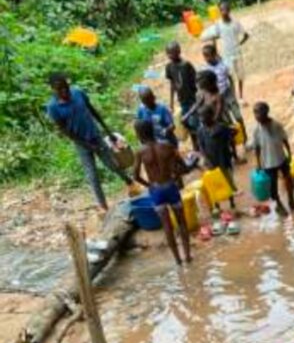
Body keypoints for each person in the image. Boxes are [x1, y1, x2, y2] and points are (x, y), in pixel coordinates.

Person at [46, 73, 133, 211]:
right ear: (53, 89)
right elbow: (65, 131)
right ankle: (103, 207)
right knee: (92, 176)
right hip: (81, 144)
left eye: (65, 87)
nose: (64, 91)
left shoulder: (78, 93)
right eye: (59, 89)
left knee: (112, 164)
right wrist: (87, 145)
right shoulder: (53, 107)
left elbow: (93, 111)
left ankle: (130, 183)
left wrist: (108, 131)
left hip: (95, 136)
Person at [132, 120, 191, 265]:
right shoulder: (167, 146)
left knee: (167, 227)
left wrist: (149, 185)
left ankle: (178, 261)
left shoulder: (140, 152)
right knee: (182, 222)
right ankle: (188, 256)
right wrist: (175, 176)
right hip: (170, 186)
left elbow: (135, 176)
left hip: (156, 190)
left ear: (139, 134)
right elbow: (184, 167)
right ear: (152, 130)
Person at [249, 102, 294, 216]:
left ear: (266, 113)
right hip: (267, 163)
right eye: (255, 113)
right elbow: (257, 148)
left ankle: (292, 202)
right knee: (273, 186)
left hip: (281, 158)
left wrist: (289, 153)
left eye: (258, 113)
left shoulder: (276, 125)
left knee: (288, 180)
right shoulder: (256, 130)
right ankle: (279, 205)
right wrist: (258, 163)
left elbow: (284, 139)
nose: (256, 116)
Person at [201, 1, 250, 101]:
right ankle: (232, 96)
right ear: (219, 11)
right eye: (222, 10)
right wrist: (215, 53)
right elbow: (214, 36)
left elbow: (246, 35)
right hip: (226, 56)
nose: (224, 12)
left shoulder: (235, 23)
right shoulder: (218, 25)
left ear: (229, 10)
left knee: (240, 76)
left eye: (226, 9)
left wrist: (239, 44)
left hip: (237, 54)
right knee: (228, 77)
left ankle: (241, 97)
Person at [196, 106, 238, 215]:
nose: (202, 119)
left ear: (211, 116)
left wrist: (229, 145)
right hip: (210, 160)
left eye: (204, 117)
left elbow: (233, 133)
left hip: (223, 159)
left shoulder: (221, 127)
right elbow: (201, 147)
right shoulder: (201, 131)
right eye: (201, 117)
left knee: (227, 180)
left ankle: (231, 202)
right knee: (213, 183)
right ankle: (217, 205)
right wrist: (206, 159)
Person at [201, 44, 245, 139]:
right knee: (227, 121)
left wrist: (233, 93)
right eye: (205, 56)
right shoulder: (205, 69)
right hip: (217, 97)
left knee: (238, 116)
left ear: (215, 54)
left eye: (208, 55)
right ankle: (235, 140)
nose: (206, 58)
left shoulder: (223, 65)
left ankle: (245, 137)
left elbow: (230, 79)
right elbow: (204, 87)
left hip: (227, 94)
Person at [165, 41, 199, 149]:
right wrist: (171, 102)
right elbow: (172, 84)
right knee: (187, 123)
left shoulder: (186, 65)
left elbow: (196, 81)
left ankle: (200, 145)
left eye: (172, 52)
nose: (170, 55)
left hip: (193, 99)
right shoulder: (169, 67)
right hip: (182, 100)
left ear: (179, 51)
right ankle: (196, 146)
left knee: (195, 123)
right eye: (168, 53)